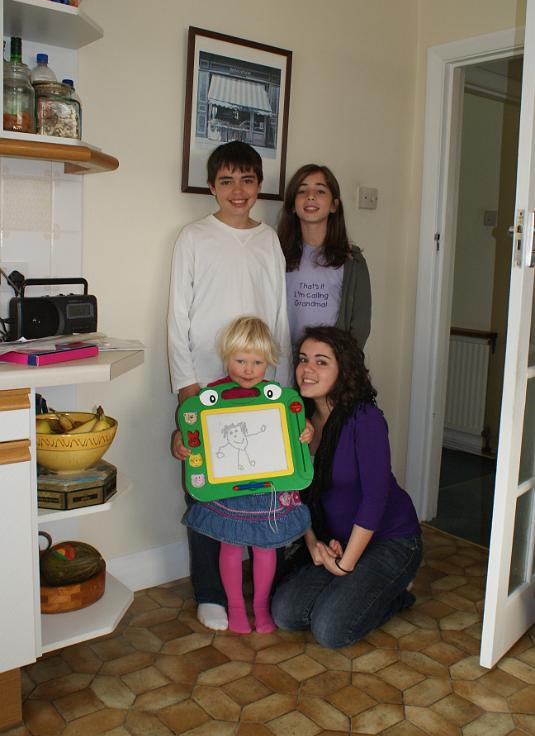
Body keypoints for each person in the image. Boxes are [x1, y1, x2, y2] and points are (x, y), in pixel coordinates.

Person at [167, 141, 292, 632]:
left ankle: (263, 590)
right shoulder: (193, 237)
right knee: (207, 489)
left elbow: (279, 316)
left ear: (259, 185)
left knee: (260, 489)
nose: (237, 190)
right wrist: (187, 386)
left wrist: (278, 388)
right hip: (206, 385)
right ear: (212, 187)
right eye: (226, 181)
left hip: (259, 387)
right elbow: (178, 317)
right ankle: (211, 593)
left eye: (247, 180)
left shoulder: (269, 240)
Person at [271, 326, 422, 648]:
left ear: (343, 370)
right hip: (335, 540)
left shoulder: (365, 419)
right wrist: (314, 545)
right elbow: (296, 495)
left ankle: (396, 594)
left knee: (331, 631)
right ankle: (359, 587)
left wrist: (345, 565)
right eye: (303, 359)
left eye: (321, 361)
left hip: (390, 539)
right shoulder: (297, 420)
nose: (307, 369)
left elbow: (375, 498)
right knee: (285, 614)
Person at [178, 316, 312, 634]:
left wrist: (305, 431)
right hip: (229, 492)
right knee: (231, 547)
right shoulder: (211, 397)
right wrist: (181, 444)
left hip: (267, 491)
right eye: (241, 361)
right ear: (227, 358)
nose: (249, 370)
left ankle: (261, 606)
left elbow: (292, 434)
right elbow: (197, 436)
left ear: (269, 362)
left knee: (266, 548)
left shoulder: (277, 398)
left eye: (257, 362)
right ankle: (236, 608)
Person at [278, 164, 371, 348]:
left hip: (332, 362)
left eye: (320, 191)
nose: (310, 196)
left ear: (334, 205)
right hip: (283, 360)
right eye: (302, 191)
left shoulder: (353, 261)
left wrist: (340, 361)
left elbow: (360, 326)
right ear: (293, 206)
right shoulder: (276, 254)